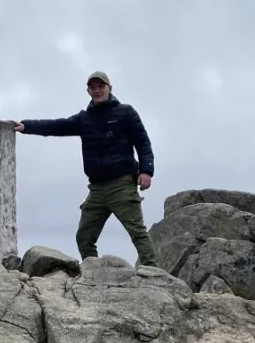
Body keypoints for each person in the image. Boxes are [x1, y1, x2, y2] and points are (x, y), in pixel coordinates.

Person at [14, 72, 156, 266]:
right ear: (88, 91)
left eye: (101, 86)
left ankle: (152, 273)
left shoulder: (126, 113)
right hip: (96, 189)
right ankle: (94, 273)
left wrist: (146, 171)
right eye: (92, 87)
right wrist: (26, 126)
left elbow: (143, 143)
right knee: (84, 237)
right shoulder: (84, 119)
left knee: (137, 232)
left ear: (109, 88)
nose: (97, 90)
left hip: (122, 185)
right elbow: (57, 126)